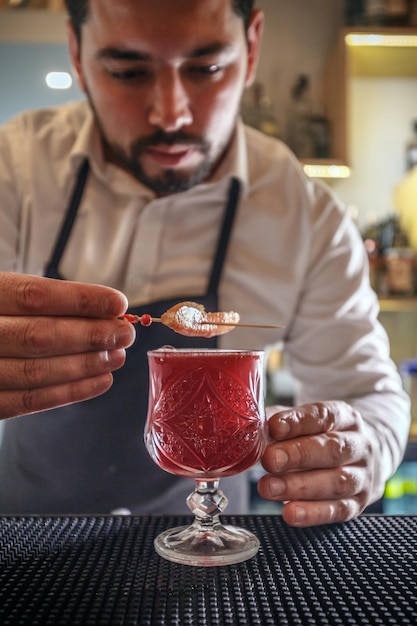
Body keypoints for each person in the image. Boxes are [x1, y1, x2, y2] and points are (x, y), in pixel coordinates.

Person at [0, 0, 410, 526]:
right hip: (24, 546)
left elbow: (367, 394)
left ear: (253, 46)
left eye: (206, 69)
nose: (171, 113)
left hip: (207, 566)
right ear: (77, 56)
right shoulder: (15, 169)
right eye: (128, 72)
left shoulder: (305, 217)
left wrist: (361, 450)